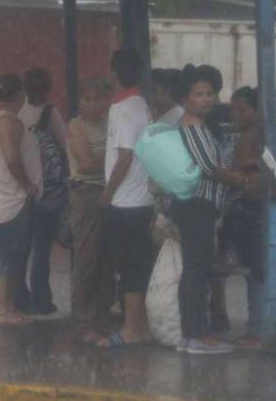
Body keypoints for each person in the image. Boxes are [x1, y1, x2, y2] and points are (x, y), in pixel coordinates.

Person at [173, 65, 246, 355]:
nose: (206, 99)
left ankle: (188, 334)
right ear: (186, 99)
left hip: (195, 205)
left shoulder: (198, 126)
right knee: (197, 269)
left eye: (210, 93)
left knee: (194, 268)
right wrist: (239, 179)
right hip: (196, 205)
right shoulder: (191, 127)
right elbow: (211, 169)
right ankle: (198, 336)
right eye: (199, 94)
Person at [98, 49, 155, 348]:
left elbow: (125, 156)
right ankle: (139, 326)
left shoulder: (126, 110)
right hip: (138, 198)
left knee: (130, 265)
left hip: (127, 201)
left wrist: (107, 194)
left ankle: (132, 329)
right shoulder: (138, 104)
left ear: (115, 73)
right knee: (136, 263)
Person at [0, 74, 43, 327]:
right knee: (6, 254)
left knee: (9, 254)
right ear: (18, 95)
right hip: (11, 198)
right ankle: (2, 310)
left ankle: (7, 308)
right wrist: (27, 184)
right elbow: (11, 157)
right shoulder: (7, 121)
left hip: (4, 195)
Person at [15, 68, 69, 315]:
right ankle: (41, 299)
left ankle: (20, 298)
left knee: (22, 247)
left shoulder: (18, 114)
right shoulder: (50, 113)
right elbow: (66, 147)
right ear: (48, 89)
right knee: (41, 249)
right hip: (48, 191)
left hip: (23, 189)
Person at [66, 78, 114, 344]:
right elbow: (85, 164)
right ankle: (82, 320)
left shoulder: (110, 124)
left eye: (98, 98)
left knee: (107, 260)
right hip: (87, 195)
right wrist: (116, 157)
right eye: (87, 99)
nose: (93, 104)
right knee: (86, 259)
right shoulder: (76, 126)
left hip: (110, 194)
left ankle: (101, 317)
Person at [229, 86, 265, 343]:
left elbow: (249, 178)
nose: (235, 115)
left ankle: (257, 329)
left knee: (255, 271)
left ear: (254, 111)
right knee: (254, 270)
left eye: (241, 110)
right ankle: (256, 327)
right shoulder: (250, 135)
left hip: (251, 209)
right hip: (250, 208)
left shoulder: (254, 136)